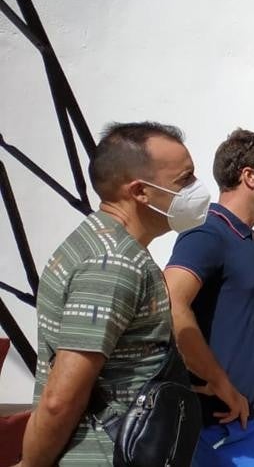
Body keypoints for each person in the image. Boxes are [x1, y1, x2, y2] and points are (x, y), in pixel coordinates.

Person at [22, 121, 210, 464]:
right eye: (184, 180)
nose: (196, 190)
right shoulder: (113, 264)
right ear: (140, 191)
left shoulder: (106, 243)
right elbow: (61, 398)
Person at [166, 128, 254, 466]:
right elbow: (171, 304)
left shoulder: (248, 239)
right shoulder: (209, 231)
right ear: (250, 176)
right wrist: (220, 383)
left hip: (248, 421)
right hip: (216, 428)